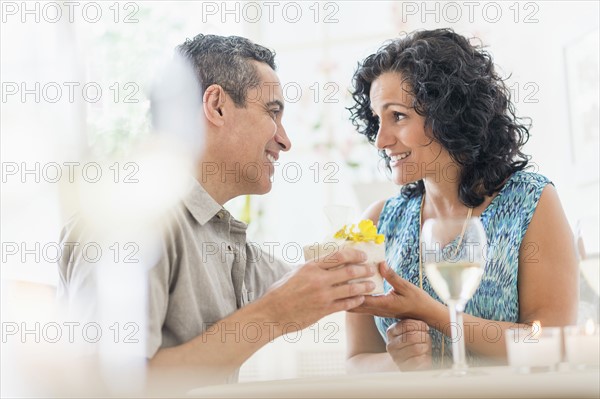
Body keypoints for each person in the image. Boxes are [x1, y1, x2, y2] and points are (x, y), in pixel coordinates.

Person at [57, 34, 376, 390]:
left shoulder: (221, 237)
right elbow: (109, 388)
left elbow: (301, 283)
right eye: (273, 112)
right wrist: (272, 315)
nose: (286, 140)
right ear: (217, 106)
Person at [345, 28, 578, 372]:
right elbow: (355, 362)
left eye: (397, 116)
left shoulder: (531, 201)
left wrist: (435, 315)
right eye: (377, 120)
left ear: (448, 114)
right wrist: (400, 363)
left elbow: (552, 345)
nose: (380, 140)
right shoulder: (378, 221)